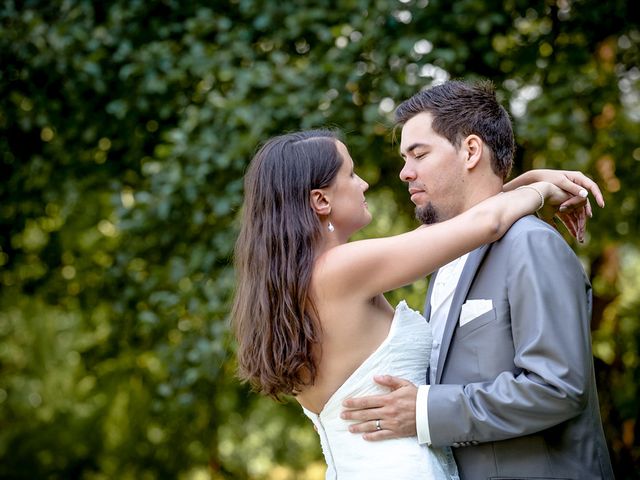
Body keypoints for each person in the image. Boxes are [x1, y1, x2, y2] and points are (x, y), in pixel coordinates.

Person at [232, 125, 601, 479]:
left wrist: (527, 181)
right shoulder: (341, 269)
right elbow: (483, 225)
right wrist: (541, 191)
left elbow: (452, 228)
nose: (363, 183)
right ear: (321, 200)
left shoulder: (305, 280)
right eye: (351, 174)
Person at [340, 80, 615, 479]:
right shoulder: (445, 254)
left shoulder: (531, 244)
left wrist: (423, 410)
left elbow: (557, 387)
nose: (404, 172)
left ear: (470, 151)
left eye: (418, 154)